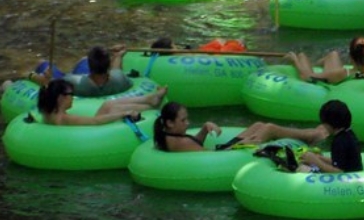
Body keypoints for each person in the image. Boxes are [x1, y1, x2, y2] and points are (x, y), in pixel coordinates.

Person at [152, 99, 338, 157]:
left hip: (222, 151)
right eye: (183, 120)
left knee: (258, 125)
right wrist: (244, 144)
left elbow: (195, 146)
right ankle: (311, 135)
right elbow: (209, 157)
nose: (187, 123)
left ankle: (311, 134)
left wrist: (203, 130)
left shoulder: (171, 136)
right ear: (170, 123)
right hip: (224, 155)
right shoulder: (178, 142)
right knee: (269, 128)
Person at [37, 78, 167, 126]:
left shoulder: (46, 111)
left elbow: (45, 90)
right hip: (89, 138)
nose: (73, 97)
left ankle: (149, 99)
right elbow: (95, 121)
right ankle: (152, 108)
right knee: (114, 110)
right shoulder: (64, 118)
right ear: (61, 98)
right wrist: (124, 114)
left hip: (85, 132)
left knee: (108, 104)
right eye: (71, 94)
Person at [286, 36, 364, 85]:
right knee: (333, 55)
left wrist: (295, 61)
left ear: (350, 56)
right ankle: (318, 64)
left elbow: (307, 77)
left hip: (329, 77)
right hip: (333, 72)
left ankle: (310, 64)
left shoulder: (342, 73)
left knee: (301, 56)